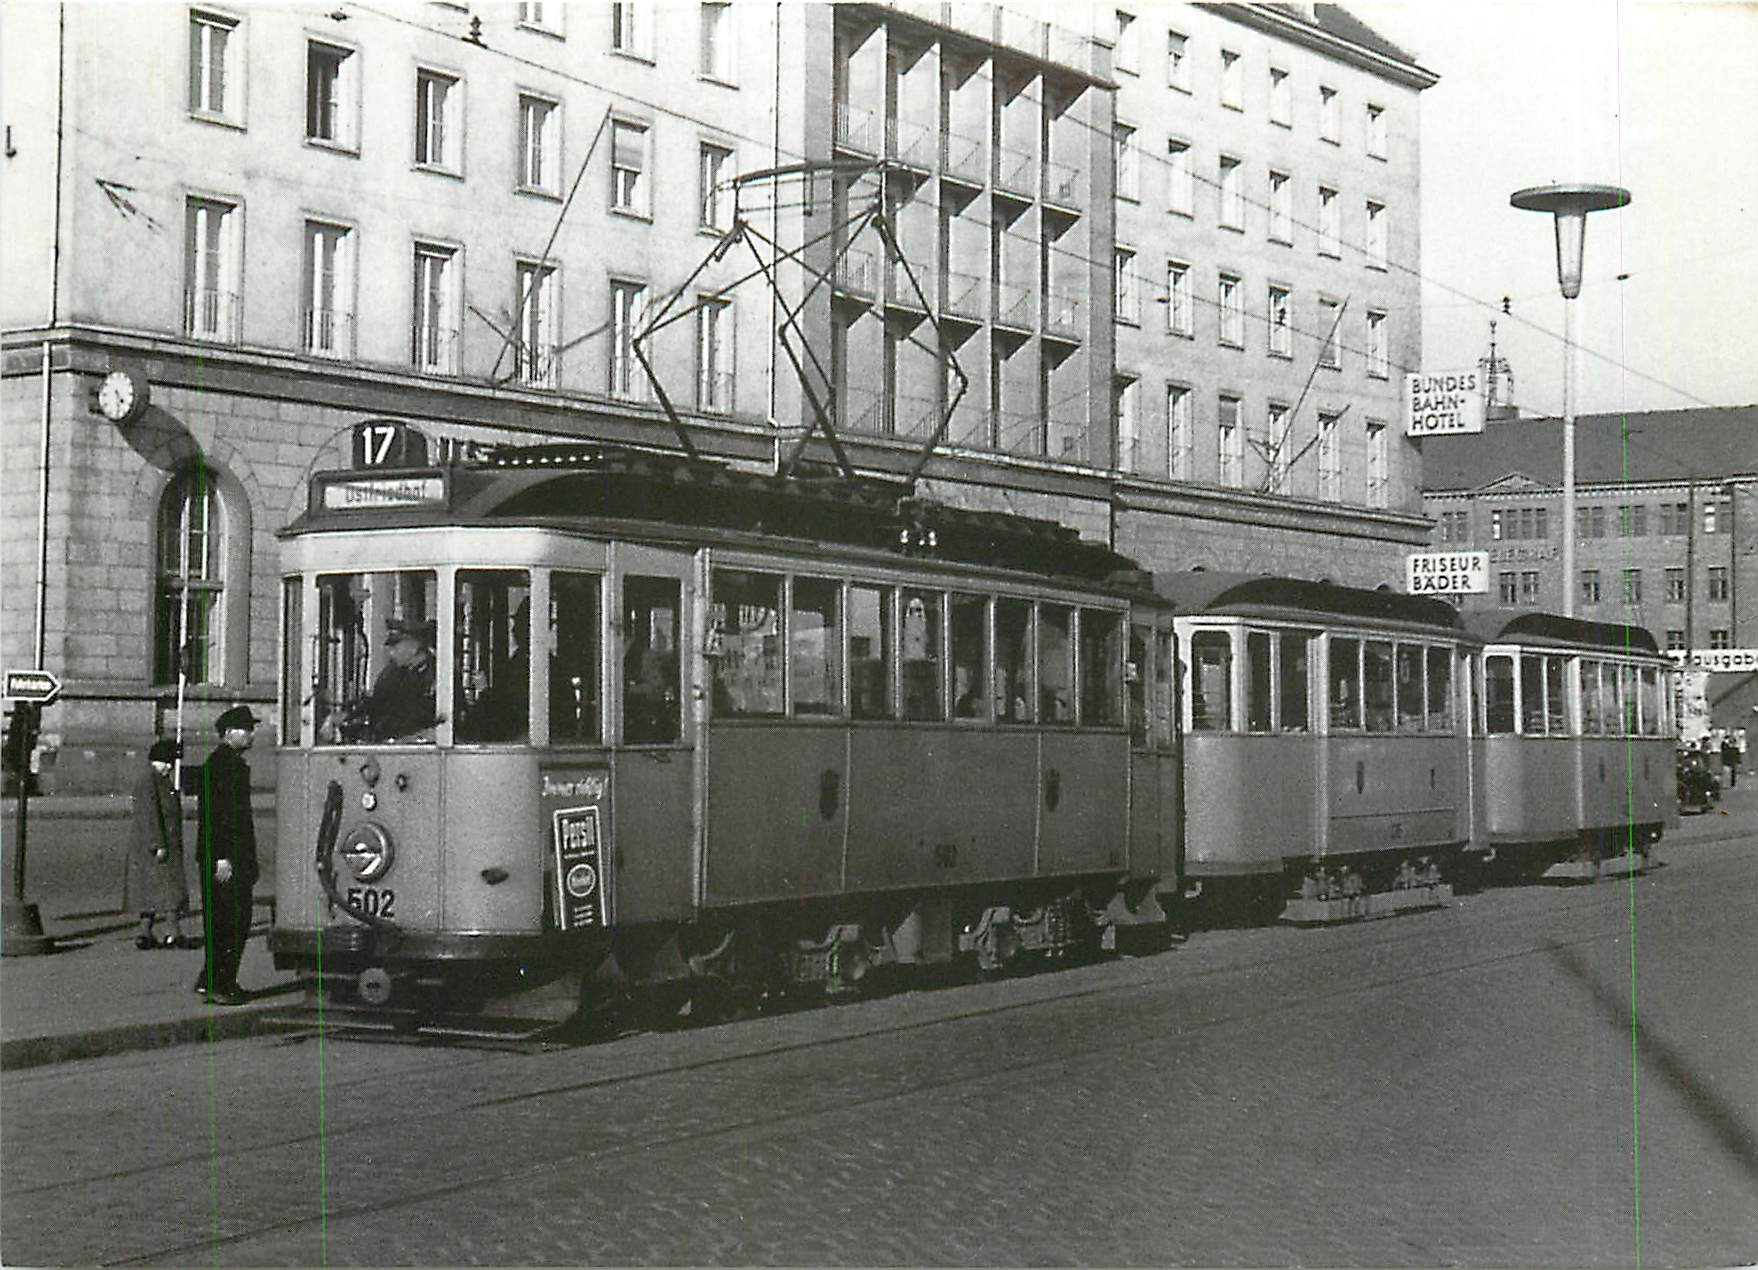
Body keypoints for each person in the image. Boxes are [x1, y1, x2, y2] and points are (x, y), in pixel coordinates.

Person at [193, 705, 259, 1005]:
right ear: (229, 733)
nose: (251, 734)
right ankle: (223, 984)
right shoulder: (223, 766)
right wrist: (222, 857)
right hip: (225, 859)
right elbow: (216, 816)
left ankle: (210, 979)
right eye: (246, 729)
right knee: (231, 922)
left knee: (222, 921)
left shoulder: (227, 763)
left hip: (228, 858)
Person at [328, 617, 440, 742]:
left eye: (395, 648)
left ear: (414, 647)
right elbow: (378, 701)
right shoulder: (394, 671)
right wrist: (348, 716)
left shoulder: (438, 674)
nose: (391, 653)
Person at [126, 738, 190, 950]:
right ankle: (172, 932)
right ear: (157, 761)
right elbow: (150, 815)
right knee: (168, 890)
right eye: (167, 762)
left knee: (152, 891)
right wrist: (158, 843)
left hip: (159, 844)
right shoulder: (149, 781)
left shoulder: (159, 780)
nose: (170, 766)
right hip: (157, 846)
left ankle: (146, 932)